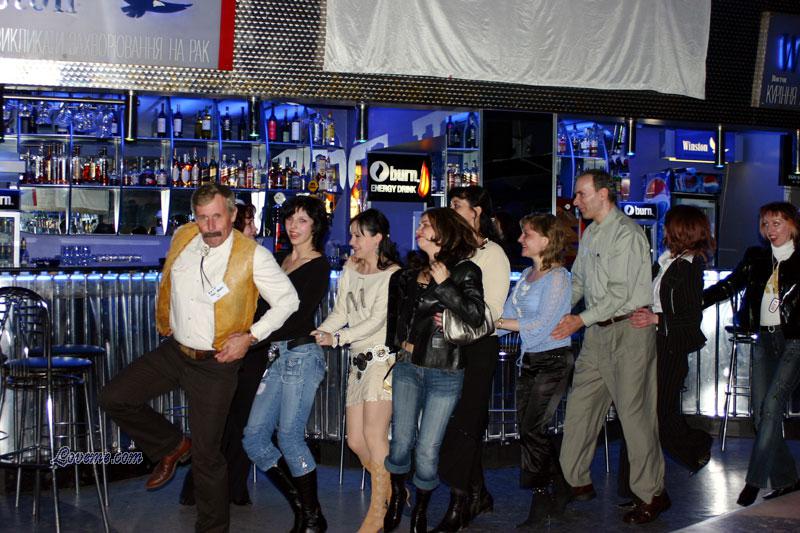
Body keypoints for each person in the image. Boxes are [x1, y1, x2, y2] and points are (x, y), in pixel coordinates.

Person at [99, 184, 300, 533]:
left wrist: (250, 336)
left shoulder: (252, 255)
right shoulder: (184, 237)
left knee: (208, 456)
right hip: (176, 351)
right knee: (114, 396)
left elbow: (288, 301)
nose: (210, 226)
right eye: (202, 217)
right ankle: (174, 445)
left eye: (217, 216)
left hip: (215, 363)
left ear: (232, 214)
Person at [551, 169, 668, 525]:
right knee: (580, 409)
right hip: (597, 333)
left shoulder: (627, 235)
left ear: (603, 195)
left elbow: (619, 294)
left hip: (627, 331)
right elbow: (579, 282)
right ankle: (575, 480)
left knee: (634, 416)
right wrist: (554, 309)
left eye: (581, 194)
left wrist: (579, 319)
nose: (575, 201)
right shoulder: (590, 234)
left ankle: (652, 494)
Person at [384, 207, 485, 533]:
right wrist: (393, 349)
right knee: (400, 442)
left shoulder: (465, 271)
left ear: (443, 232)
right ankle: (397, 496)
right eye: (421, 223)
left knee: (428, 449)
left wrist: (446, 285)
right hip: (407, 366)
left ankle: (420, 509)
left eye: (427, 224)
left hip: (445, 370)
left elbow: (474, 315)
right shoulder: (411, 271)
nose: (420, 228)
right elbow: (396, 317)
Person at [242, 195, 331, 531]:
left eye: (302, 220)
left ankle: (310, 518)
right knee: (254, 439)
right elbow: (263, 311)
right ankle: (308, 509)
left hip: (301, 355)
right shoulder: (280, 260)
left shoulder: (318, 266)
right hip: (276, 356)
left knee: (290, 438)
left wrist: (251, 338)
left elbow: (295, 317)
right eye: (290, 218)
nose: (293, 226)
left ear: (315, 226)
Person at [703, 201, 800, 506]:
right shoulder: (756, 258)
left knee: (771, 408)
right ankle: (787, 479)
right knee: (760, 415)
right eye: (766, 224)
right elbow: (728, 286)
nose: (770, 230)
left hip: (795, 342)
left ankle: (753, 481)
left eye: (777, 223)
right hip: (764, 340)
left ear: (792, 225)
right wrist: (692, 302)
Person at [617, 205, 715, 505]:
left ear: (681, 230)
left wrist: (656, 319)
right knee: (638, 415)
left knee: (657, 415)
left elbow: (690, 318)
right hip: (652, 343)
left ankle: (695, 447)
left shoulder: (689, 267)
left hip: (669, 348)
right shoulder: (668, 262)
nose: (664, 231)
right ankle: (635, 487)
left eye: (669, 226)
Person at [312, 208, 401, 533]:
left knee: (375, 438)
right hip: (357, 361)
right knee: (355, 440)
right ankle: (392, 490)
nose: (352, 241)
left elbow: (377, 320)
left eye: (358, 236)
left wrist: (337, 338)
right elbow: (341, 311)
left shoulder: (393, 274)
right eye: (352, 235)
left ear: (377, 238)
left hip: (382, 362)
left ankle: (378, 513)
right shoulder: (351, 267)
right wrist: (321, 331)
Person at [434, 186, 511, 531]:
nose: (451, 210)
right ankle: (478, 493)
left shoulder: (493, 254)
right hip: (450, 348)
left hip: (479, 348)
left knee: (464, 424)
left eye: (457, 205)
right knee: (461, 423)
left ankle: (460, 503)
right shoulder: (453, 251)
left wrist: (452, 315)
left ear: (476, 212)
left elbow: (490, 313)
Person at [178, 200, 264, 508]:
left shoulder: (251, 257)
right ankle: (215, 488)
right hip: (234, 350)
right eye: (250, 223)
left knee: (232, 423)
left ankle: (222, 488)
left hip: (245, 350)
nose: (255, 229)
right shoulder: (234, 260)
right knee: (228, 423)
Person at [495, 214, 573, 527]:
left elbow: (542, 325)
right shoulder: (527, 275)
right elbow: (506, 317)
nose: (520, 240)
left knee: (531, 429)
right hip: (529, 362)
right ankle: (562, 485)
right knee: (531, 430)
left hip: (553, 361)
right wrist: (477, 328)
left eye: (526, 234)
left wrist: (497, 323)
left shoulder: (559, 278)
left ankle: (542, 496)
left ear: (545, 240)